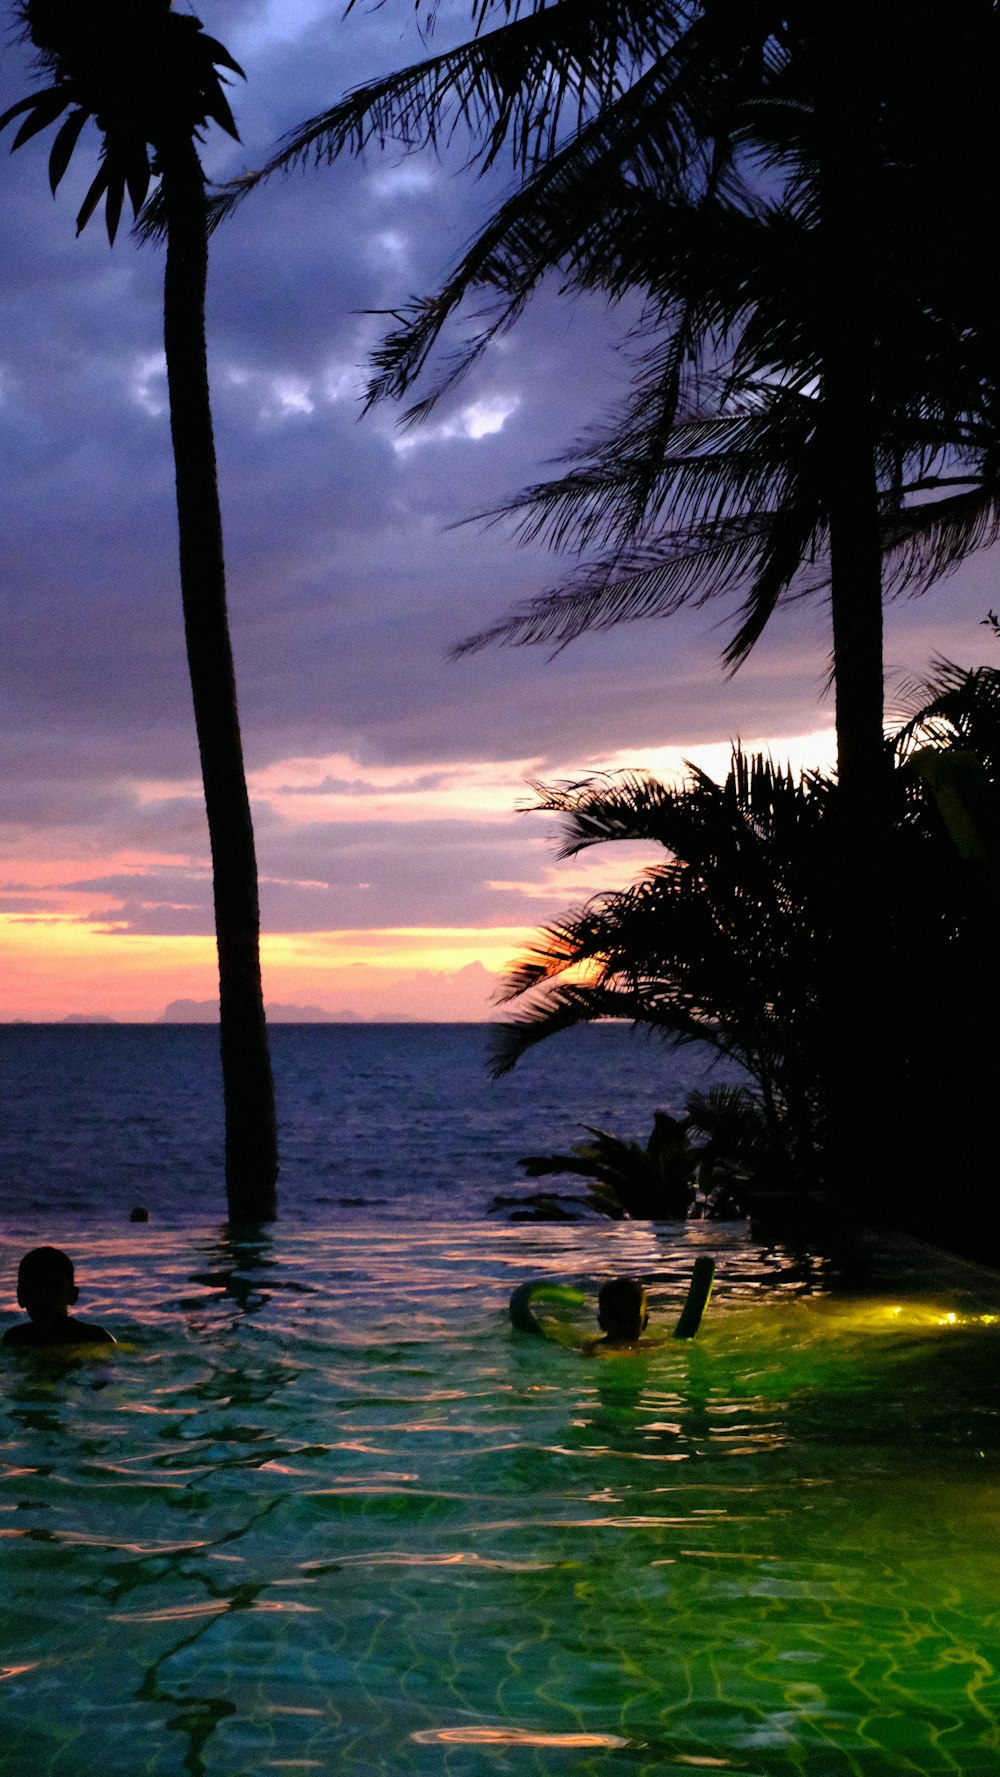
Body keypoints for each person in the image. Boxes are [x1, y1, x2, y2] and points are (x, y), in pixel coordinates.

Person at [509, 1258, 714, 1351]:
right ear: (602, 1323)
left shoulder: (651, 1347)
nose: (625, 1325)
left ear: (645, 1323)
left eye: (632, 1318)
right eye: (617, 1317)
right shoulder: (594, 1350)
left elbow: (680, 1346)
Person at [3, 1246, 115, 1348]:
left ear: (72, 1295)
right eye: (34, 1287)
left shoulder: (15, 1340)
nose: (44, 1294)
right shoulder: (96, 1338)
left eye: (53, 1286)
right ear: (20, 1296)